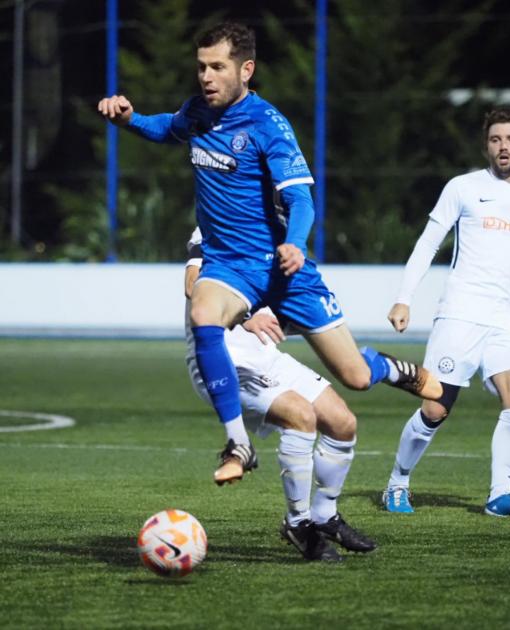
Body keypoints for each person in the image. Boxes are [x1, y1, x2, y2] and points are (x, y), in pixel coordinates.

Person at [98, 22, 442, 486]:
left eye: (218, 67)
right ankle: (239, 441)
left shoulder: (268, 125)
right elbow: (169, 128)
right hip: (229, 267)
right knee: (203, 313)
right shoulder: (197, 112)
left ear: (246, 69)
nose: (206, 76)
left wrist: (295, 244)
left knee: (355, 377)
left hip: (283, 269)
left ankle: (390, 367)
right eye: (201, 67)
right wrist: (130, 121)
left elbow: (302, 199)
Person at [382, 107, 510, 517]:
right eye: (496, 139)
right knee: (435, 408)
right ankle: (397, 481)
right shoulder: (462, 188)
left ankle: (501, 495)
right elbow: (428, 243)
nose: (504, 146)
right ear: (486, 146)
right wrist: (404, 297)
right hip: (461, 315)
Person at [184, 230, 375, 561]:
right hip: (226, 361)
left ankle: (324, 515)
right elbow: (192, 284)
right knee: (300, 415)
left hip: (267, 356)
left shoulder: (286, 233)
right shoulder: (221, 221)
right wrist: (245, 315)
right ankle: (298, 524)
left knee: (343, 422)